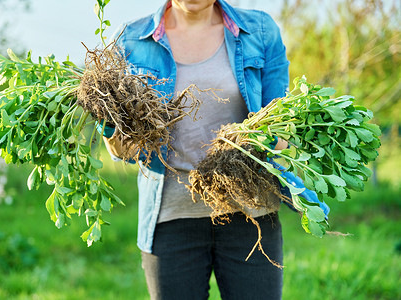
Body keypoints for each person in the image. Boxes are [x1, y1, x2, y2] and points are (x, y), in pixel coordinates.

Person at [102, 1, 326, 299]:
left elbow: (282, 125)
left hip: (251, 211)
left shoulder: (258, 31)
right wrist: (111, 129)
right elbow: (123, 148)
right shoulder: (131, 40)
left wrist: (258, 140)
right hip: (172, 217)